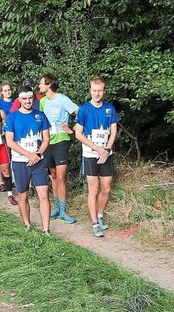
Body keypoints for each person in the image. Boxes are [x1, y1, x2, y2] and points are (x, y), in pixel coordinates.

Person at [74, 77, 120, 238]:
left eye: (100, 90)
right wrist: (97, 148)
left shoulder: (109, 108)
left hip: (106, 153)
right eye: (94, 90)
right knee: (93, 189)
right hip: (90, 154)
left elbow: (113, 131)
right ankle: (94, 224)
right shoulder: (84, 109)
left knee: (106, 188)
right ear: (90, 91)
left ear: (104, 91)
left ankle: (100, 216)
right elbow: (78, 134)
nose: (97, 93)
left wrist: (106, 149)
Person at [4, 86, 52, 235]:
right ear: (19, 99)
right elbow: (10, 142)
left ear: (34, 98)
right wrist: (28, 155)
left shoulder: (41, 115)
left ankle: (46, 229)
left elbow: (46, 139)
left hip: (39, 161)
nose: (27, 101)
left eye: (30, 98)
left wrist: (37, 154)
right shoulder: (12, 117)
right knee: (23, 195)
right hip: (20, 162)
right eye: (24, 99)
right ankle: (27, 225)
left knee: (43, 195)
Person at [38, 73, 79, 224]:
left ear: (49, 85)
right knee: (53, 175)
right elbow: (41, 121)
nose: (39, 86)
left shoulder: (62, 99)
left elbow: (80, 112)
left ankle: (63, 211)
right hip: (48, 142)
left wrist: (72, 129)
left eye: (41, 83)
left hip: (61, 140)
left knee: (61, 177)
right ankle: (56, 208)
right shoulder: (42, 101)